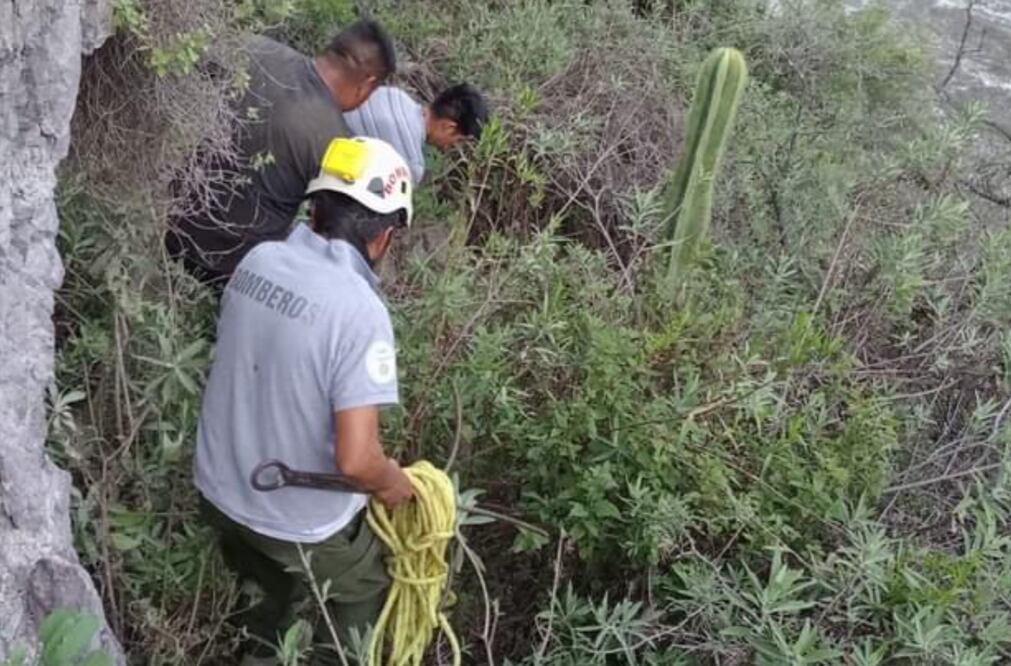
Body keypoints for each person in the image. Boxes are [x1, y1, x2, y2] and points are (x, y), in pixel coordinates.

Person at [193, 137, 416, 665]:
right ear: (383, 237)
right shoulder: (359, 311)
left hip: (217, 490)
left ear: (315, 208)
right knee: (365, 590)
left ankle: (262, 647)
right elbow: (357, 461)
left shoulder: (260, 259)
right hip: (290, 519)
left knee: (266, 591)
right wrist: (394, 483)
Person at [165, 20, 397, 285]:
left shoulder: (257, 50)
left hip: (166, 222)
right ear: (367, 83)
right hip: (231, 272)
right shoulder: (337, 143)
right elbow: (329, 232)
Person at [343, 82, 489, 185]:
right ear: (448, 127)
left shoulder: (395, 95)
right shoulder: (410, 165)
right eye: (457, 140)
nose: (450, 146)